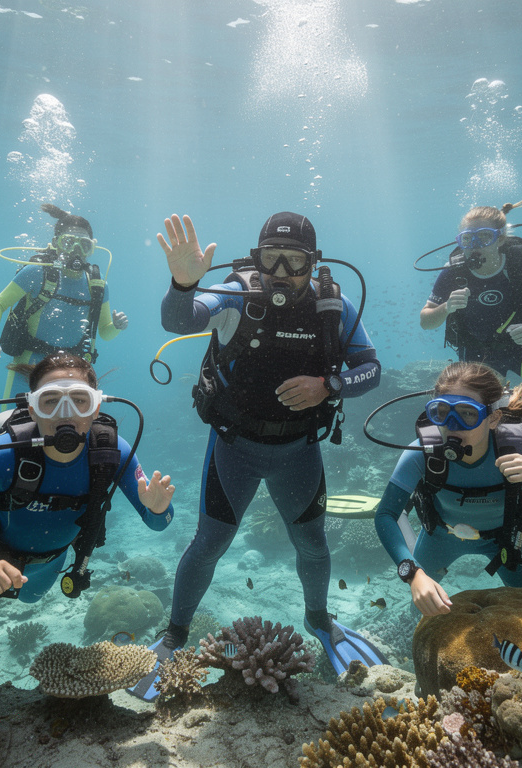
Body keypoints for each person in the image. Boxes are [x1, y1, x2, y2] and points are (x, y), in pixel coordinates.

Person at [127, 211, 383, 701]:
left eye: (296, 260)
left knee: (312, 544)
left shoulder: (334, 306)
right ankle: (174, 637)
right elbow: (179, 319)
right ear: (256, 257)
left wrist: (328, 385)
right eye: (271, 258)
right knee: (210, 543)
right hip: (234, 448)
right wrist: (183, 284)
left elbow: (370, 370)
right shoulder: (235, 295)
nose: (282, 272)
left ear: (315, 262)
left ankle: (321, 622)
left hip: (299, 450)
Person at [0, 352, 175, 609]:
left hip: (50, 559)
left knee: (31, 599)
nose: (65, 413)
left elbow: (159, 524)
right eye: (50, 400)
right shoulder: (2, 453)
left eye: (80, 400)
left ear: (96, 408)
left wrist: (158, 509)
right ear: (32, 409)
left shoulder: (113, 452)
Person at [374, 362, 522, 616]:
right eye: (441, 412)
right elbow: (385, 515)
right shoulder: (421, 453)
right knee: (421, 610)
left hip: (503, 538)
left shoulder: (518, 446)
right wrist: (412, 573)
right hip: (442, 535)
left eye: (467, 413)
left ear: (493, 418)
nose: (452, 425)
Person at [419, 202, 522, 403]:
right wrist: (447, 307)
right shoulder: (452, 272)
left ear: (501, 239)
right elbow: (425, 321)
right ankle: (507, 399)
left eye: (485, 237)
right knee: (488, 410)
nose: (475, 246)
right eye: (468, 239)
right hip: (476, 353)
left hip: (518, 346)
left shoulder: (520, 266)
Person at [0, 204, 128, 400]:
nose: (76, 251)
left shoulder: (97, 284)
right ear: (56, 243)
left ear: (91, 247)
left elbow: (105, 332)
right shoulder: (36, 272)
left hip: (74, 368)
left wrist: (116, 326)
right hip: (28, 365)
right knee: (13, 423)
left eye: (83, 245)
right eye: (68, 243)